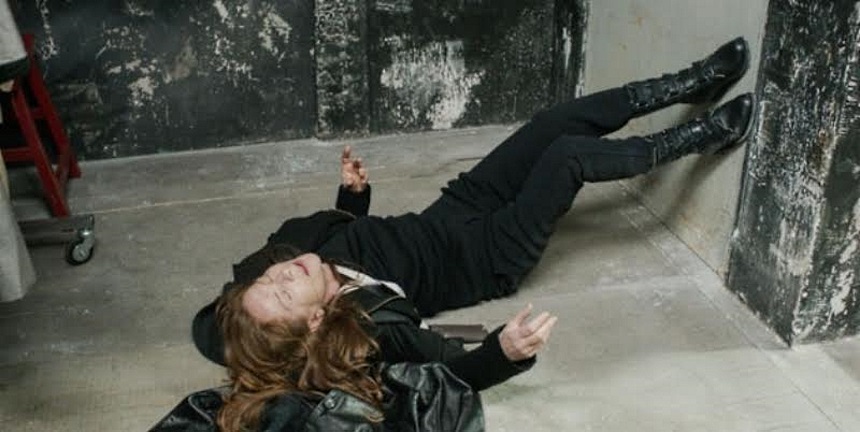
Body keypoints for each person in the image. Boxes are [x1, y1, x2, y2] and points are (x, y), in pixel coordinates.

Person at [193, 37, 755, 431]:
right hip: (489, 256)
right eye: (284, 292)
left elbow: (211, 327)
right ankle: (699, 138)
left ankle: (691, 82)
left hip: (453, 210)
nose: (282, 272)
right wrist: (502, 354)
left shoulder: (300, 251)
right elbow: (444, 373)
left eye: (268, 279)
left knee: (550, 124)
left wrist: (353, 201)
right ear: (316, 320)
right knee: (567, 156)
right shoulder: (372, 333)